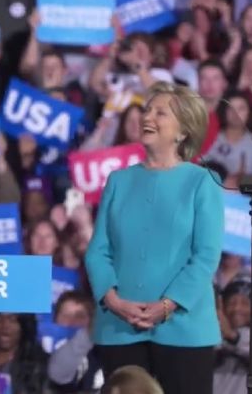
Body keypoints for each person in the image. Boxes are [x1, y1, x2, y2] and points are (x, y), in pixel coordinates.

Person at [85, 81, 223, 394]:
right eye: (147, 110)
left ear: (183, 131)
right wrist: (113, 300)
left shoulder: (203, 181)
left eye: (160, 113)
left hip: (185, 331)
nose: (147, 117)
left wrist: (168, 305)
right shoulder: (118, 181)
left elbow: (206, 256)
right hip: (120, 327)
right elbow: (98, 251)